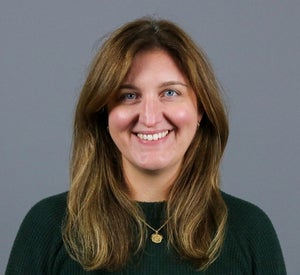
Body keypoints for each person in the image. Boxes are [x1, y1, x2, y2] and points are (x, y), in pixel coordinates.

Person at [6, 17, 286, 274]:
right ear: (105, 112)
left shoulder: (251, 231)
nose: (150, 117)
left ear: (200, 109)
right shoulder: (48, 227)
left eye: (170, 92)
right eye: (129, 95)